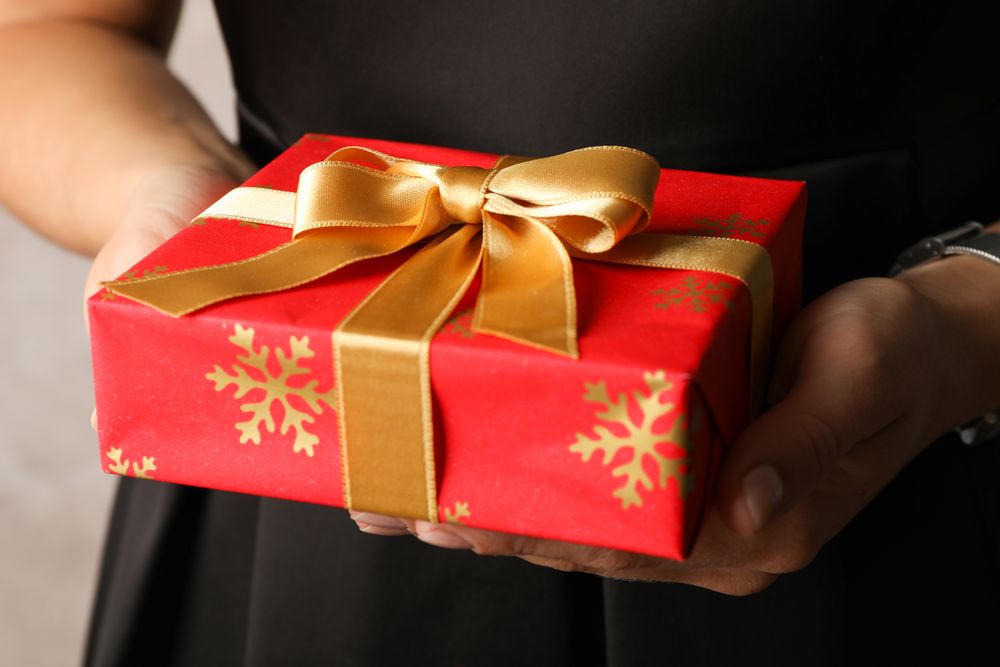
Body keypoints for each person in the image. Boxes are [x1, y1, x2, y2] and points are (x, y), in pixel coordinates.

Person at [2, 1, 998, 665]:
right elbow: (44, 30)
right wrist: (175, 200)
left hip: (892, 458)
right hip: (303, 450)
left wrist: (964, 326)